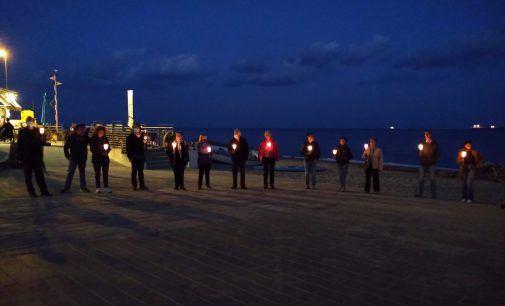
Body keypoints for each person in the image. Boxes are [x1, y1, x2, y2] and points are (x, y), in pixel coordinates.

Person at [16, 117, 52, 197]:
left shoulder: (37, 131)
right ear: (26, 122)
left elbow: (40, 143)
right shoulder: (22, 132)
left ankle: (44, 191)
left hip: (37, 157)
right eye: (29, 122)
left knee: (40, 175)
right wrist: (19, 157)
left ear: (33, 122)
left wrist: (43, 140)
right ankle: (31, 191)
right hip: (27, 157)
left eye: (31, 122)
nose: (30, 123)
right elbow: (20, 145)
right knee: (28, 176)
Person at [62, 123, 90, 193]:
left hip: (82, 158)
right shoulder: (72, 137)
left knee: (82, 173)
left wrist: (88, 133)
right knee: (70, 173)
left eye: (83, 129)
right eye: (80, 129)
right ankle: (66, 188)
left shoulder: (85, 137)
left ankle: (83, 187)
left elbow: (92, 142)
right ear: (76, 130)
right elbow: (66, 147)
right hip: (73, 158)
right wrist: (68, 156)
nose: (82, 131)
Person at [416, 131, 440, 198]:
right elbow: (419, 154)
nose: (426, 136)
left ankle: (433, 194)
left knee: (432, 179)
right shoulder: (422, 144)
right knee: (421, 179)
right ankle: (420, 193)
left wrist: (434, 160)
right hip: (423, 163)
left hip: (431, 164)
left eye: (428, 134)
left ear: (430, 135)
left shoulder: (434, 144)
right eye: (425, 135)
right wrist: (420, 152)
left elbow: (437, 154)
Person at [126, 122, 149, 191]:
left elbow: (145, 148)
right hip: (134, 156)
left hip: (141, 156)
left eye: (137, 127)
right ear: (133, 128)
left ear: (140, 128)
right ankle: (134, 185)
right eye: (135, 128)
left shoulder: (143, 137)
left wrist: (145, 144)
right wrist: (129, 157)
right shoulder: (130, 137)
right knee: (134, 172)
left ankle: (142, 185)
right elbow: (128, 148)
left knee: (141, 172)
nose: (136, 129)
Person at [90, 126, 111, 193]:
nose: (101, 133)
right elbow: (92, 149)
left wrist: (107, 152)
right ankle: (98, 187)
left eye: (103, 132)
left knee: (105, 173)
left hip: (105, 159)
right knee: (97, 173)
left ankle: (106, 187)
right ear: (97, 132)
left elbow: (108, 147)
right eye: (100, 132)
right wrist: (102, 152)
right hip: (96, 159)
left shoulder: (105, 139)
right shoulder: (93, 139)